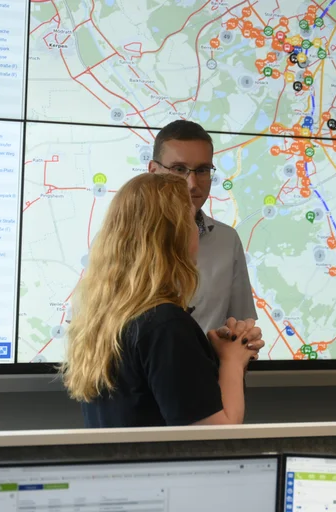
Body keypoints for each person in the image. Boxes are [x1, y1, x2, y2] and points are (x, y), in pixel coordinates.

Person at [61, 172, 263, 427]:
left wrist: (210, 356)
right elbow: (217, 435)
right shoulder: (165, 326)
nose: (197, 230)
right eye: (191, 220)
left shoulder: (106, 317)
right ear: (172, 237)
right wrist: (232, 361)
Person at [148, 120, 259, 334]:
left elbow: (241, 327)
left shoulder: (227, 240)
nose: (192, 184)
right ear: (153, 171)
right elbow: (93, 329)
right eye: (179, 169)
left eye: (202, 170)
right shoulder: (121, 240)